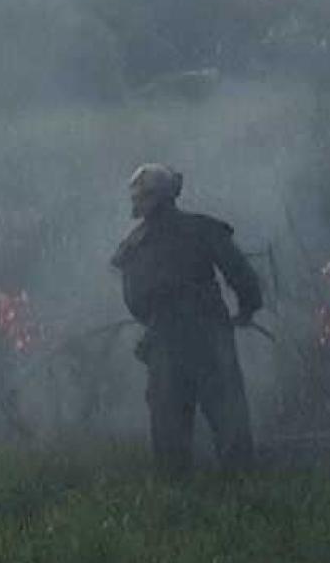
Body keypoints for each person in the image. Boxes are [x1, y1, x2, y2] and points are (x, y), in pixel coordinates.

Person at [110, 163, 261, 473]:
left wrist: (158, 318)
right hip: (207, 335)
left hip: (166, 339)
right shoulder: (203, 229)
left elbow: (134, 301)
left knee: (170, 427)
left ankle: (178, 500)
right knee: (227, 416)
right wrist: (247, 308)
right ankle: (243, 488)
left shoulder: (134, 246)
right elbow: (241, 275)